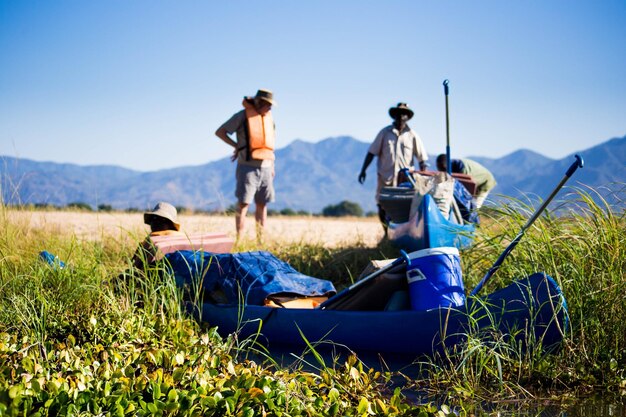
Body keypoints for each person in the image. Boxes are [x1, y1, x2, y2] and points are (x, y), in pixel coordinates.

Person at [215, 89, 276, 241]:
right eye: (268, 105)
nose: (270, 108)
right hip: (247, 167)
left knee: (262, 204)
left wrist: (272, 166)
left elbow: (270, 145)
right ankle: (239, 240)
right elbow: (220, 132)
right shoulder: (242, 116)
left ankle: (260, 241)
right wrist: (237, 146)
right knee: (243, 204)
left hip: (267, 167)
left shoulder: (269, 119)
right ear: (259, 102)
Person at [358, 102, 429, 233]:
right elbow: (371, 152)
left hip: (405, 180)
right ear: (394, 115)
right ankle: (386, 232)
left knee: (405, 207)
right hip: (386, 177)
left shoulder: (413, 135)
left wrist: (423, 175)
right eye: (399, 113)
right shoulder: (384, 133)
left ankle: (401, 232)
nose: (401, 116)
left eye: (404, 114)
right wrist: (363, 170)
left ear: (407, 117)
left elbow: (422, 158)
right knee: (382, 204)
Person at [132, 201, 184, 269]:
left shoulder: (150, 242)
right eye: (154, 218)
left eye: (162, 219)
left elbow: (135, 269)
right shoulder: (149, 241)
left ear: (171, 225)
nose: (156, 222)